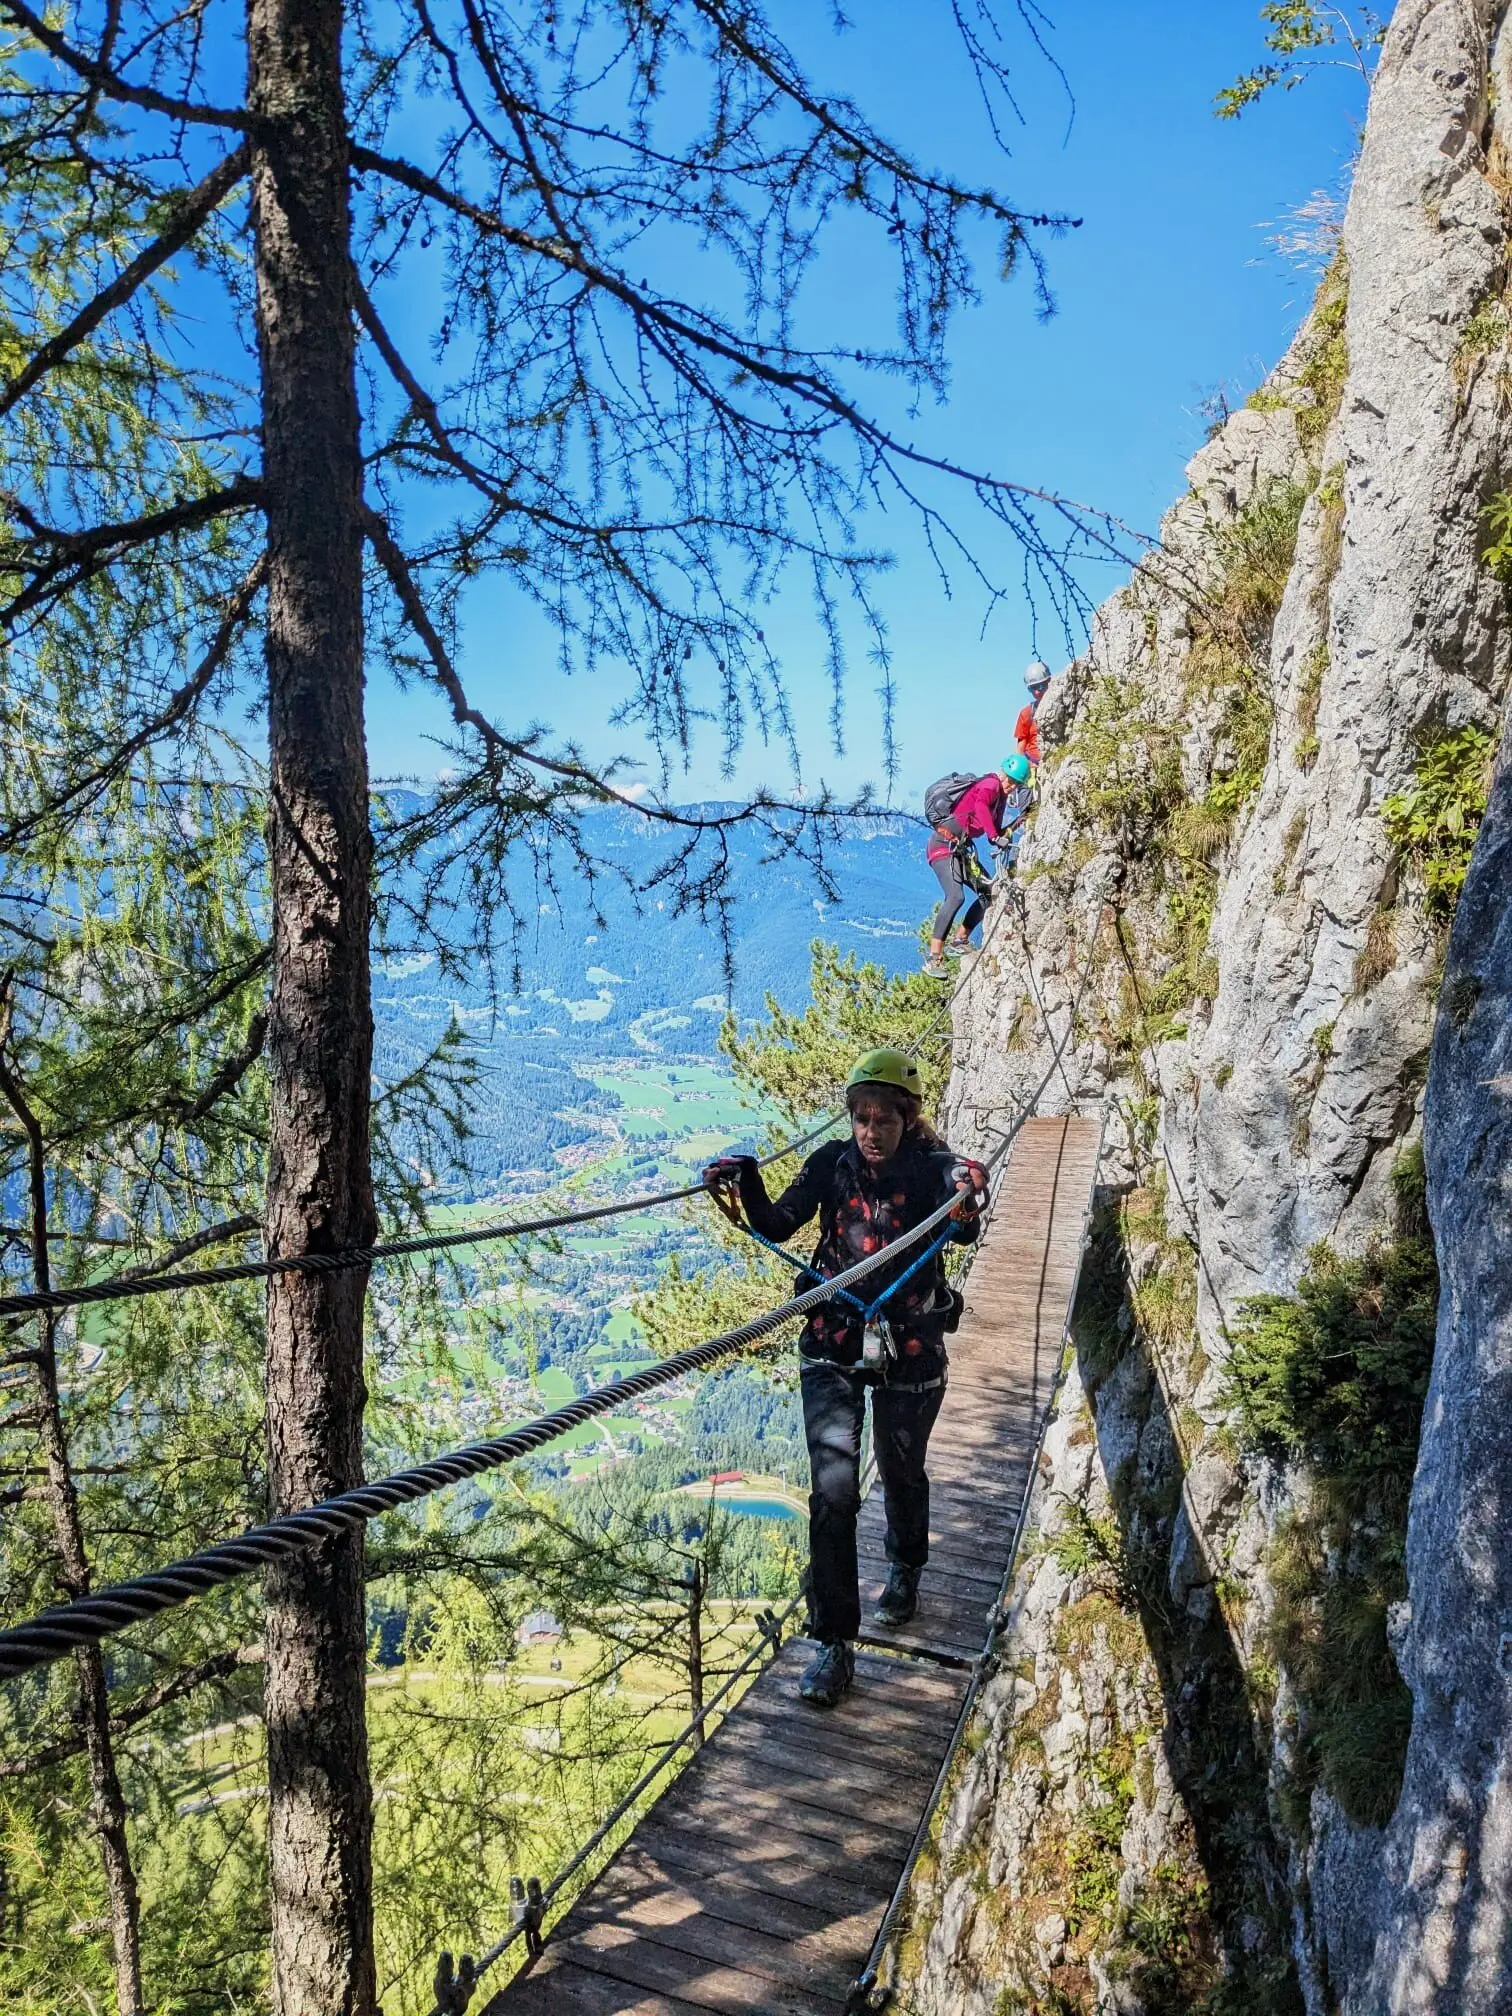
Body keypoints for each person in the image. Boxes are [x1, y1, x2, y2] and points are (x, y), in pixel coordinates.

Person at [703, 1050, 989, 1708]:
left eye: (883, 1119)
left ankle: (906, 1565)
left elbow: (962, 1220)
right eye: (861, 1118)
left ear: (907, 1119)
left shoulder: (933, 1167)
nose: (870, 1132)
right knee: (833, 1497)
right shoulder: (831, 1163)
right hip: (833, 1339)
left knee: (901, 1468)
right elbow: (778, 1222)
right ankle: (833, 1643)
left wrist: (967, 1194)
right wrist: (746, 1179)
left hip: (909, 1343)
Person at [923, 756, 1031, 979]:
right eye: (1010, 780)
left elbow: (996, 832)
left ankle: (960, 939)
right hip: (943, 845)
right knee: (955, 897)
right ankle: (934, 958)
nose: (1011, 786)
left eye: (1016, 784)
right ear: (1002, 773)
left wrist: (1019, 821)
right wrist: (994, 836)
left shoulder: (1000, 799)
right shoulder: (990, 785)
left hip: (960, 850)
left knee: (989, 893)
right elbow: (981, 807)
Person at [1015, 662, 1051, 767]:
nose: (1036, 692)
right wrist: (1029, 765)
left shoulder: (1064, 707)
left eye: (1040, 686)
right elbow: (1020, 751)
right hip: (1033, 765)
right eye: (1032, 688)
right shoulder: (1026, 713)